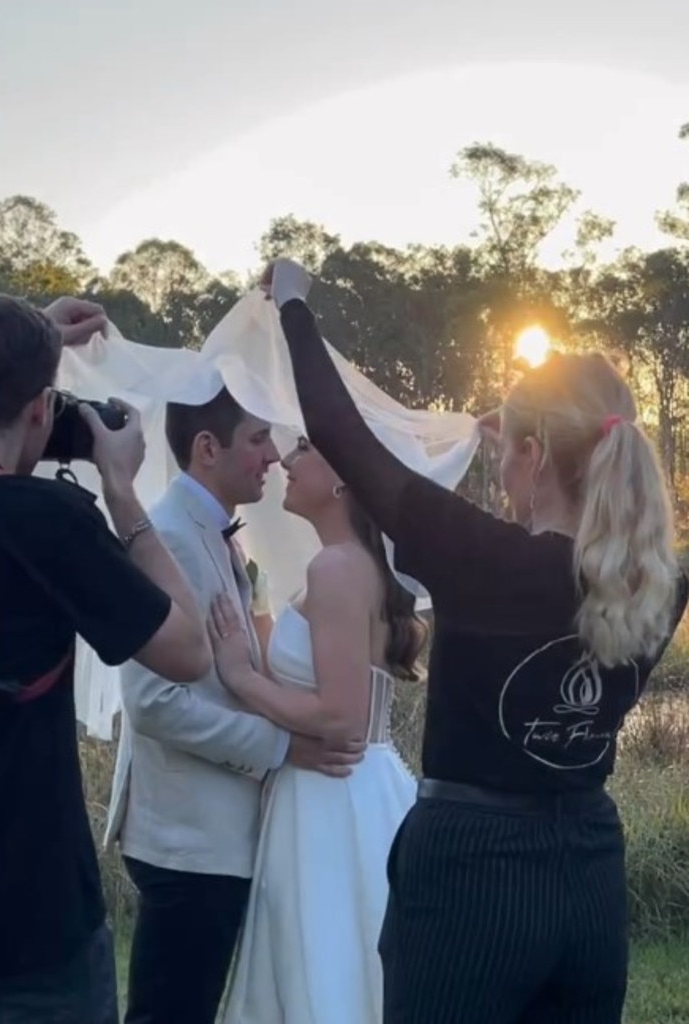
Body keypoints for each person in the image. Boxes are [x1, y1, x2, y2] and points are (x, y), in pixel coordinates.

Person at [265, 258, 688, 1024]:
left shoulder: (482, 558)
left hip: (469, 876)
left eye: (507, 455)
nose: (498, 466)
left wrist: (292, 304)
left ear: (532, 455)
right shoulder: (661, 583)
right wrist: (527, 439)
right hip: (590, 871)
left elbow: (337, 433)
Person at [0, 293, 210, 1024]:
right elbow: (188, 649)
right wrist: (122, 493)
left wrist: (14, 352)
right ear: (42, 411)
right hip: (30, 933)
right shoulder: (43, 519)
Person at [105, 390, 365, 1024]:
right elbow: (154, 703)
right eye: (257, 440)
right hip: (188, 837)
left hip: (220, 833)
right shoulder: (167, 539)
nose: (273, 456)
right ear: (207, 449)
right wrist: (280, 748)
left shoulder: (216, 537)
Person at [207, 432, 421, 1024]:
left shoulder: (336, 567)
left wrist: (240, 677)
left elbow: (341, 716)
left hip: (333, 796)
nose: (286, 461)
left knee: (324, 958)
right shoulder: (343, 565)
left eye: (303, 448)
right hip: (343, 789)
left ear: (343, 478)